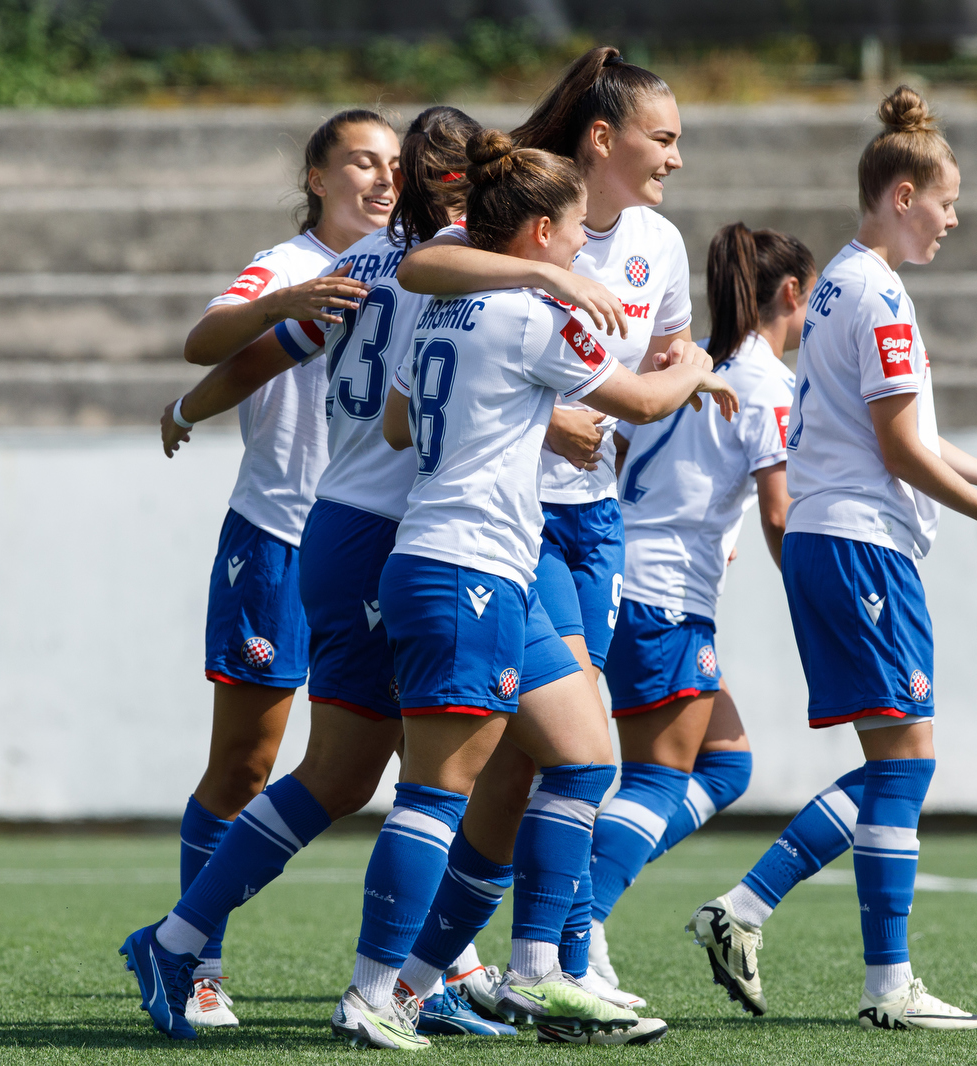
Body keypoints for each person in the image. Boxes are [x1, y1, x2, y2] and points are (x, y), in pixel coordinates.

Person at [319, 130, 734, 1050]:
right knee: (437, 790)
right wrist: (705, 363)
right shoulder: (532, 315)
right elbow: (641, 404)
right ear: (541, 229)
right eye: (578, 229)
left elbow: (397, 421)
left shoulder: (447, 304)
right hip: (463, 563)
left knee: (585, 757)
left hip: (475, 561)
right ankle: (371, 991)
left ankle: (532, 972)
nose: (588, 247)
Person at [688, 86, 977, 1032]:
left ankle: (820, 950)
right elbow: (903, 452)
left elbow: (903, 433)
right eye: (948, 200)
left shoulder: (838, 284)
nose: (956, 218)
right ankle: (825, 954)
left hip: (841, 542)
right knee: (906, 763)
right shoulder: (878, 292)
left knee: (895, 763)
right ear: (903, 193)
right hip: (864, 548)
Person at [394, 45, 706, 1004]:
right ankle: (541, 958)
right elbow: (426, 265)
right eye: (664, 138)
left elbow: (668, 347)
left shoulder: (660, 241)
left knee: (547, 750)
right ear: (604, 137)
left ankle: (490, 960)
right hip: (508, 529)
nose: (676, 159)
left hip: (593, 521)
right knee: (565, 744)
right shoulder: (533, 211)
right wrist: (561, 306)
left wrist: (679, 371)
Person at [155, 109, 398, 1029]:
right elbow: (213, 340)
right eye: (361, 163)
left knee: (425, 756)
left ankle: (430, 969)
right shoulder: (292, 264)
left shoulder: (410, 268)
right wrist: (278, 304)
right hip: (279, 536)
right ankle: (194, 963)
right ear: (316, 176)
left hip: (373, 542)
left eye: (394, 167)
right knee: (248, 762)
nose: (381, 180)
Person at [589, 222, 813, 1000]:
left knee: (727, 763)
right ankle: (574, 931)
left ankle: (568, 909)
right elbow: (782, 515)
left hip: (624, 580)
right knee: (655, 779)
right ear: (792, 294)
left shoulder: (684, 364)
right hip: (666, 597)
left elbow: (614, 449)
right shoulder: (768, 385)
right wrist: (818, 606)